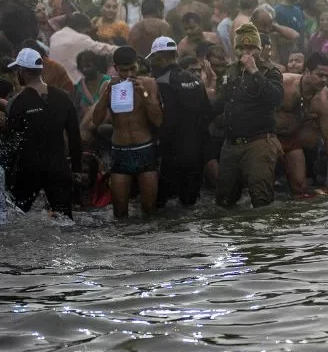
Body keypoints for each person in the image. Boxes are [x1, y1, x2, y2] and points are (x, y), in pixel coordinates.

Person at [5, 47, 82, 219]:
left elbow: (10, 141)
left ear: (22, 71)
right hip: (59, 168)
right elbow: (75, 136)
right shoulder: (63, 97)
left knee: (17, 217)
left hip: (29, 170)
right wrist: (76, 169)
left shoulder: (18, 102)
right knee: (65, 220)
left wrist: (7, 174)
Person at [212, 23, 284, 208]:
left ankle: (262, 236)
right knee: (224, 201)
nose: (247, 52)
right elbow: (221, 103)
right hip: (230, 145)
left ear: (259, 49)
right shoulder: (230, 71)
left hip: (258, 143)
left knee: (262, 201)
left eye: (251, 47)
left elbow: (275, 98)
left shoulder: (270, 71)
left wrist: (254, 71)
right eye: (242, 48)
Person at [90, 46, 162, 219]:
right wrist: (107, 93)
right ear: (116, 68)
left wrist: (143, 94)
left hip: (144, 149)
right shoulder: (108, 86)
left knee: (149, 211)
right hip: (120, 152)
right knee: (120, 213)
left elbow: (158, 120)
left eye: (133, 68)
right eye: (124, 70)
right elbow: (96, 120)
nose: (129, 73)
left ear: (138, 65)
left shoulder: (149, 83)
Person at [148, 37, 212, 208]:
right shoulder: (196, 80)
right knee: (190, 204)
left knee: (161, 205)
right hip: (197, 151)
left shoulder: (162, 81)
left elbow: (170, 118)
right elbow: (207, 113)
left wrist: (159, 145)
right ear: (176, 54)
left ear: (159, 58)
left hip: (173, 152)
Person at [275, 52, 328, 196]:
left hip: (292, 141)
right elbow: (260, 112)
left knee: (300, 188)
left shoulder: (322, 98)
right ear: (306, 71)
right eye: (320, 75)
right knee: (263, 188)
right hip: (268, 138)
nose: (324, 80)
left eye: (327, 76)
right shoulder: (284, 83)